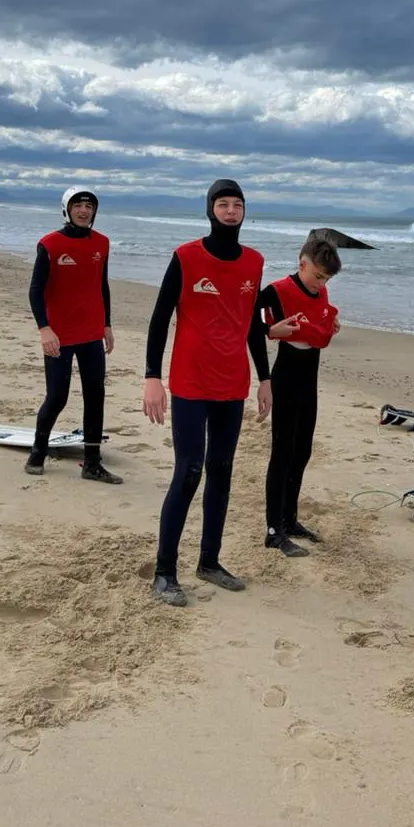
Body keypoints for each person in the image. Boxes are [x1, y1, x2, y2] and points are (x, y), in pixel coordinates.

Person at [142, 179, 271, 606]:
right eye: (223, 204)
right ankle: (164, 572)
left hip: (232, 384)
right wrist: (151, 376)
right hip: (191, 382)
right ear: (210, 210)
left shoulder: (254, 262)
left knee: (222, 470)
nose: (231, 211)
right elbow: (160, 318)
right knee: (189, 471)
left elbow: (252, 324)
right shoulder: (186, 257)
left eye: (238, 205)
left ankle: (209, 562)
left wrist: (265, 378)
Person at [25, 187, 119, 483]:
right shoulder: (50, 244)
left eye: (89, 206)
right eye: (78, 205)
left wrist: (107, 324)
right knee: (57, 397)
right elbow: (35, 290)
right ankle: (38, 452)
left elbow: (102, 286)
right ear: (66, 209)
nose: (84, 210)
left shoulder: (102, 243)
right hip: (59, 335)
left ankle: (92, 463)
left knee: (95, 395)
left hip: (91, 333)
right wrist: (44, 329)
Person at [260, 236, 343, 557]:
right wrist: (270, 331)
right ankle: (273, 530)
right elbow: (251, 321)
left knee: (302, 450)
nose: (321, 284)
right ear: (302, 264)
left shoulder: (320, 291)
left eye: (327, 279)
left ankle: (289, 519)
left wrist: (332, 322)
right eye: (318, 276)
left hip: (310, 376)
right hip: (286, 375)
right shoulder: (277, 290)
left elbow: (320, 318)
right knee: (282, 452)